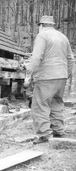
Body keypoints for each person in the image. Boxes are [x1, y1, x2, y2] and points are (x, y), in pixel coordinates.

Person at [24, 15, 75, 144]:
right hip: (61, 76)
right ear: (52, 25)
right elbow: (71, 59)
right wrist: (66, 74)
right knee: (56, 103)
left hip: (46, 76)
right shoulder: (63, 37)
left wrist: (28, 72)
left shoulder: (42, 36)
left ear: (41, 25)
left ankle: (44, 135)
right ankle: (58, 131)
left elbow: (36, 58)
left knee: (40, 104)